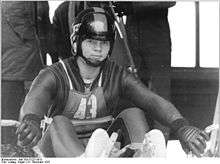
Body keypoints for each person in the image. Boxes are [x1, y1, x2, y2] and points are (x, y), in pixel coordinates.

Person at [16, 7, 209, 157]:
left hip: (100, 148)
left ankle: (142, 155)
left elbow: (152, 100)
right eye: (91, 42)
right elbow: (34, 99)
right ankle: (84, 159)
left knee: (133, 113)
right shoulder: (55, 73)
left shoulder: (116, 74)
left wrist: (181, 126)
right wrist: (31, 120)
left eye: (104, 42)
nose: (98, 49)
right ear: (76, 42)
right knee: (58, 122)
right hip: (60, 150)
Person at [1, 1, 44, 121]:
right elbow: (14, 10)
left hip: (14, 62)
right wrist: (32, 35)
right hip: (17, 61)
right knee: (11, 112)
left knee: (11, 111)